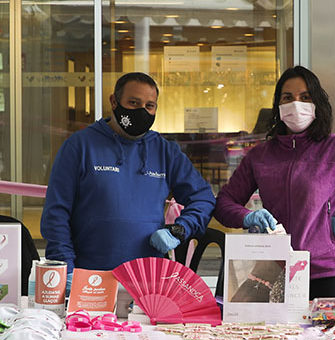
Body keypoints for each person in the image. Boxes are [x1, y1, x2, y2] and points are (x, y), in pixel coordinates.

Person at [213, 66, 335, 299]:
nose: (296, 104)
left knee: (327, 327)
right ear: (278, 105)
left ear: (317, 103)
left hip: (329, 272)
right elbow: (224, 203)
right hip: (275, 271)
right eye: (288, 98)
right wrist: (247, 217)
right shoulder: (260, 156)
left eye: (305, 97)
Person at [41, 72, 216, 286]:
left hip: (147, 280)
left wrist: (179, 230)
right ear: (114, 102)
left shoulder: (164, 151)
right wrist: (64, 267)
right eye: (133, 103)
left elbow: (203, 198)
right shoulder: (80, 146)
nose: (142, 111)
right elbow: (56, 213)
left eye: (149, 106)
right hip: (90, 278)